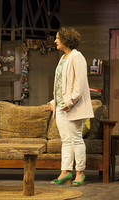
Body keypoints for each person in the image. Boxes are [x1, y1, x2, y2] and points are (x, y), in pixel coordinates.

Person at [47, 27, 94, 186]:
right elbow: (61, 84)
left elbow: (79, 85)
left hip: (73, 107)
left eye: (57, 38)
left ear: (66, 39)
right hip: (61, 107)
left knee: (76, 139)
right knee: (65, 140)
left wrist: (69, 102)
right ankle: (65, 171)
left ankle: (80, 173)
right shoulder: (63, 58)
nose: (55, 40)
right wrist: (55, 102)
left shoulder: (77, 57)